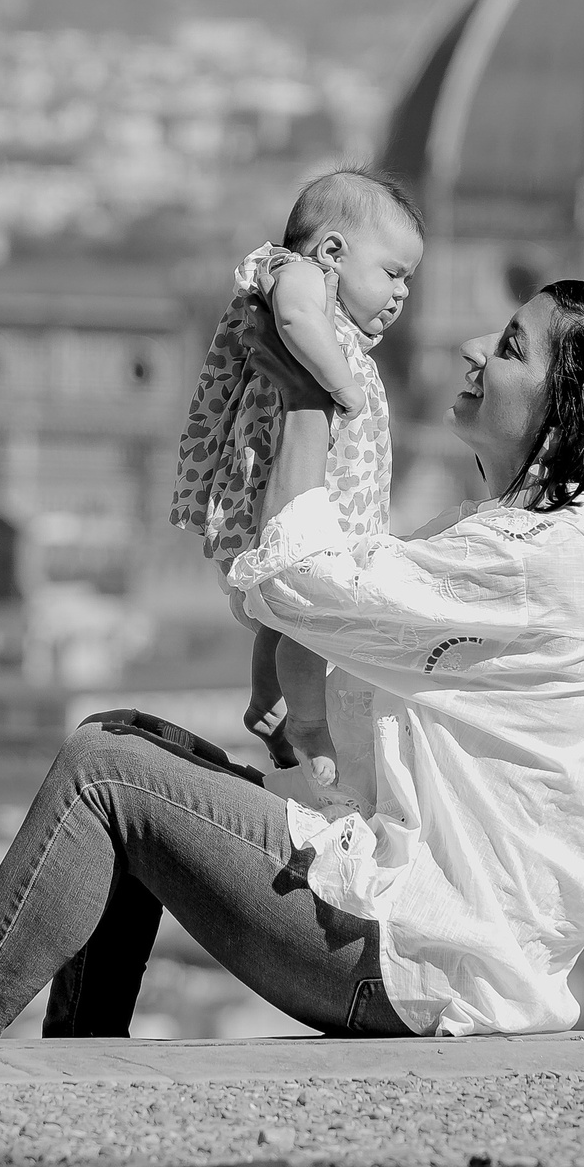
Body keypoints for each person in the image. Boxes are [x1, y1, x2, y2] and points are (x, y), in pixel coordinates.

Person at [0, 279, 584, 1040]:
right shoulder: (546, 549)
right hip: (445, 953)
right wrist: (297, 721)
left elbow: (296, 577)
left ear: (568, 409)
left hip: (423, 958)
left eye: (512, 347)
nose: (476, 348)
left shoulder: (534, 557)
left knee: (105, 770)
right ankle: (75, 1049)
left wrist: (311, 395)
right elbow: (355, 641)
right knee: (128, 743)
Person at [167, 166, 422, 790]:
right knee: (311, 612)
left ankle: (269, 701)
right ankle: (308, 724)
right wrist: (341, 387)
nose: (403, 294)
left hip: (317, 496)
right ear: (332, 251)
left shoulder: (328, 306)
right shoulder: (300, 276)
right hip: (288, 487)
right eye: (393, 273)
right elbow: (294, 323)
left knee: (288, 609)